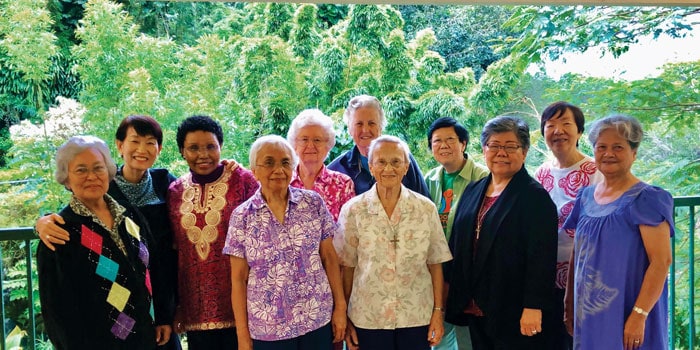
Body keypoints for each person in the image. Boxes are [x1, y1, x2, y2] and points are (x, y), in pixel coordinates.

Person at [36, 115, 189, 349]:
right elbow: (58, 311)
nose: (91, 176)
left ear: (108, 172)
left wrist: (163, 316)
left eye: (98, 168)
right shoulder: (61, 232)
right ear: (66, 179)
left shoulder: (129, 215)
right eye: (81, 170)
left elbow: (154, 266)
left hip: (149, 335)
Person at [445, 116, 558, 349]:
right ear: (484, 150)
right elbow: (457, 243)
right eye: (494, 146)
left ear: (524, 151)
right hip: (473, 305)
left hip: (512, 308)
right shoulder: (474, 190)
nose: (501, 153)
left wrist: (533, 306)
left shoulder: (534, 197)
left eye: (510, 146)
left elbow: (542, 258)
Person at [224, 135, 347, 350]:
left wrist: (340, 308)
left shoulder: (312, 203)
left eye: (285, 162)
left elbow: (329, 258)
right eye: (269, 163)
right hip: (268, 329)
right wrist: (242, 336)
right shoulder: (242, 217)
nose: (278, 170)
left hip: (316, 319)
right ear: (254, 169)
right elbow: (238, 279)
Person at [563, 115, 673, 350]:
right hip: (590, 311)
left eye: (618, 147)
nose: (608, 153)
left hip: (629, 310)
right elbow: (578, 253)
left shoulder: (647, 199)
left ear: (634, 152)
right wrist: (569, 302)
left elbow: (661, 261)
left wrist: (639, 315)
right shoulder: (585, 197)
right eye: (601, 147)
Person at [335, 135, 452, 350]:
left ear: (406, 167)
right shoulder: (353, 210)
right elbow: (347, 267)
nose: (388, 168)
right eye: (381, 162)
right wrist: (346, 317)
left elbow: (435, 263)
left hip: (416, 315)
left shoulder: (425, 209)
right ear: (371, 167)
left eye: (396, 162)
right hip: (368, 316)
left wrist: (437, 312)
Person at [167, 115, 259, 350]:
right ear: (181, 151)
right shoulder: (175, 191)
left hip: (241, 304)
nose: (203, 154)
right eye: (193, 148)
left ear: (220, 146)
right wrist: (177, 305)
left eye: (210, 146)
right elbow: (176, 253)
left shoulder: (243, 180)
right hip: (195, 308)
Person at [533, 102, 603, 350]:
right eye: (550, 125)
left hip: (585, 276)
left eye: (566, 124)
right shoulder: (540, 174)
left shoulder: (596, 172)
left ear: (579, 132)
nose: (558, 131)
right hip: (546, 276)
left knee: (579, 341)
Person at [424, 117, 488, 350]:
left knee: (467, 338)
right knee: (437, 335)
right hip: (437, 269)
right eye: (436, 141)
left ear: (463, 143)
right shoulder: (429, 179)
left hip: (468, 270)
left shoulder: (483, 178)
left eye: (450, 139)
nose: (443, 145)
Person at [328, 94, 430, 198]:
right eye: (359, 124)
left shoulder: (402, 159)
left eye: (371, 123)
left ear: (381, 127)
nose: (365, 130)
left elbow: (424, 202)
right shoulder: (337, 169)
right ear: (349, 129)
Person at [287, 108, 355, 221]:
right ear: (294, 144)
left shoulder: (343, 184)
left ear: (328, 145)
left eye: (317, 140)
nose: (310, 145)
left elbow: (349, 230)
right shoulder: (283, 182)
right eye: (304, 139)